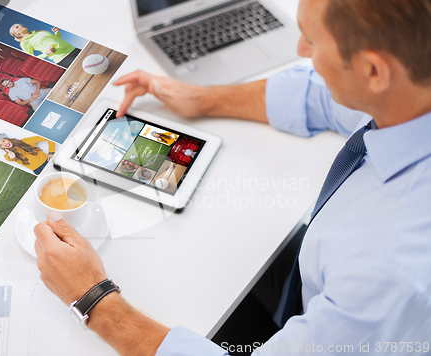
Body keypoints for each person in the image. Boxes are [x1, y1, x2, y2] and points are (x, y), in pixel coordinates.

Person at [34, 0, 431, 354]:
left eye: (311, 40)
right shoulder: (410, 91)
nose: (300, 51)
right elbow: (323, 96)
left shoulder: (388, 274)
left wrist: (93, 300)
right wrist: (202, 98)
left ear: (374, 70)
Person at [9, 24, 81, 68]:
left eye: (19, 25)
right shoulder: (24, 43)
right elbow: (32, 59)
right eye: (17, 27)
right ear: (16, 34)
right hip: (63, 58)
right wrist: (46, 53)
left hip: (72, 49)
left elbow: (56, 39)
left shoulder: (38, 31)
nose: (20, 26)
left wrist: (57, 33)